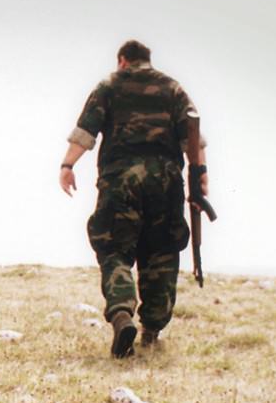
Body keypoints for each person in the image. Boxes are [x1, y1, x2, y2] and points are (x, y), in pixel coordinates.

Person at [59, 40, 210, 358]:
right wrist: (201, 179)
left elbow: (86, 132)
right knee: (162, 254)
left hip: (120, 181)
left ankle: (122, 311)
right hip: (165, 183)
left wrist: (67, 165)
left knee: (114, 248)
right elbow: (193, 137)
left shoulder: (110, 85)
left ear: (122, 61)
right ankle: (151, 330)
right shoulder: (172, 87)